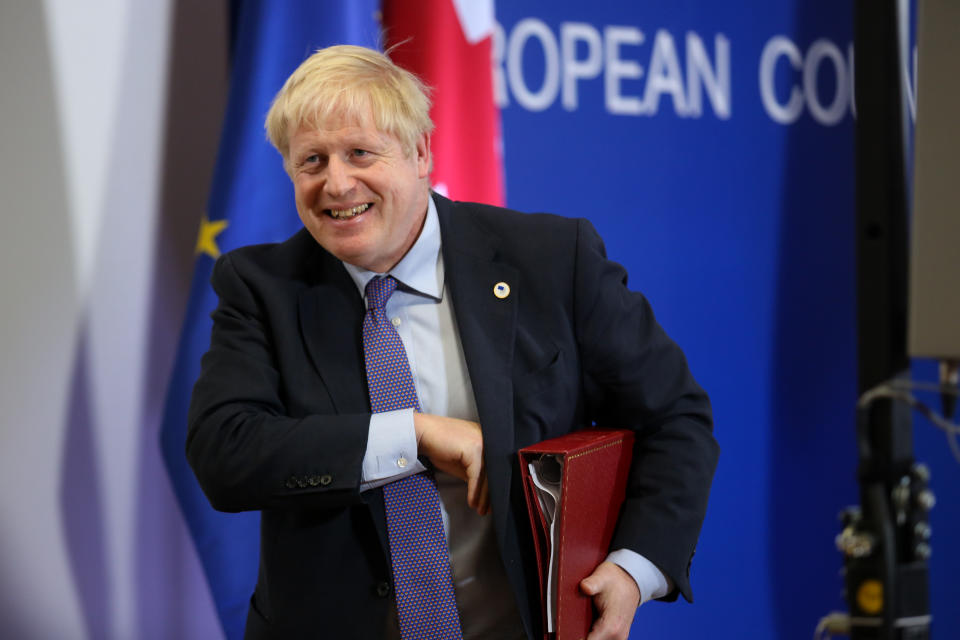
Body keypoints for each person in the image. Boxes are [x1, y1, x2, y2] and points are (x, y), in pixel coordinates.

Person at [187, 44, 718, 640]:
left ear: (420, 153)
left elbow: (675, 419)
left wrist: (633, 569)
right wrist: (413, 434)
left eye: (360, 152)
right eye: (311, 161)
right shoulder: (263, 287)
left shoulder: (549, 260)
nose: (336, 183)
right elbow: (223, 452)